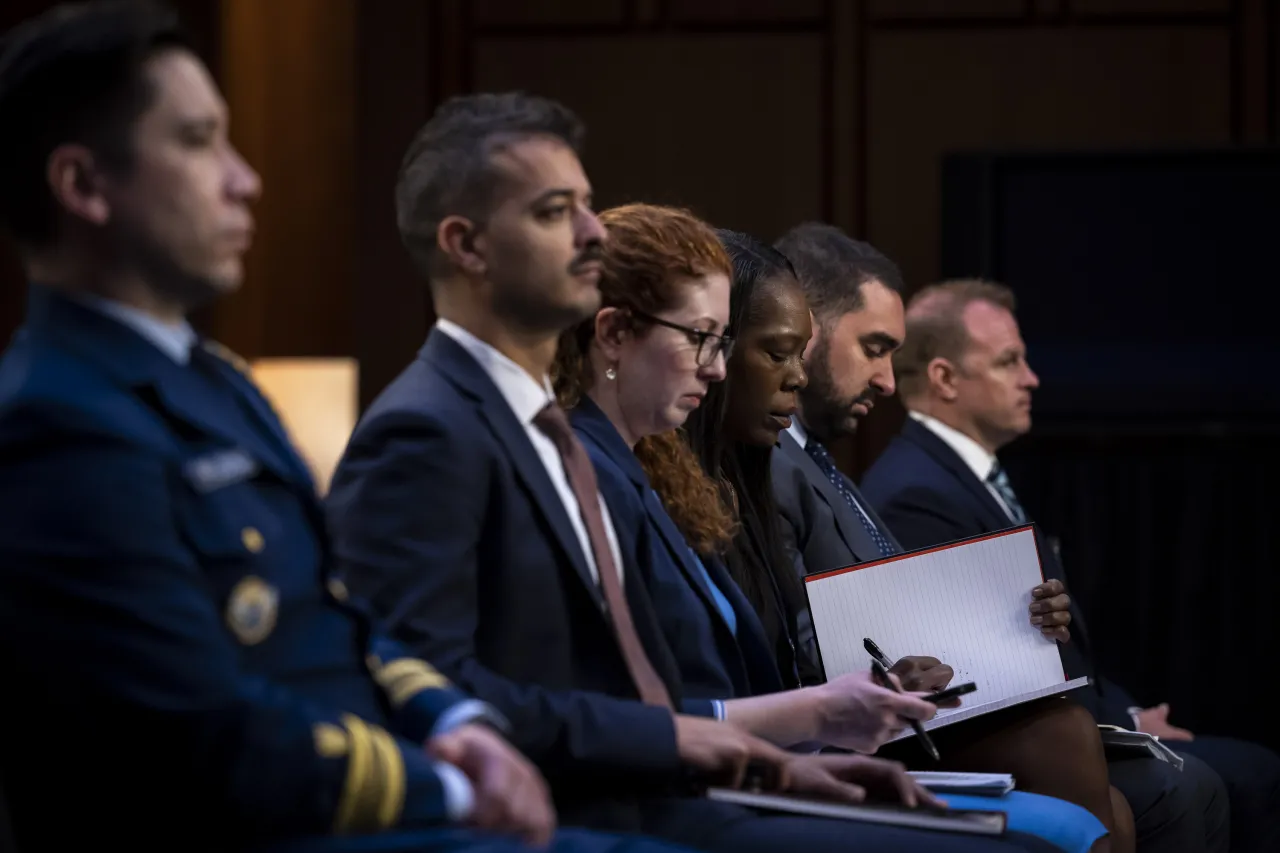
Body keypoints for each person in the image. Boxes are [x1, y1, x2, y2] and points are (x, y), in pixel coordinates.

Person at [0, 5, 701, 853]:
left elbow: (345, 616)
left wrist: (457, 718)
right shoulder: (59, 420)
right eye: (196, 141)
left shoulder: (214, 380)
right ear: (83, 186)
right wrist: (444, 780)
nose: (244, 178)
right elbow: (199, 728)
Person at [324, 91, 1065, 853]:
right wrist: (745, 747)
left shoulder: (550, 428)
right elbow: (429, 693)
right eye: (554, 212)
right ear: (466, 246)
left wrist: (779, 760)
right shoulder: (428, 428)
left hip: (680, 791)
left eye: (585, 205)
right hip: (599, 814)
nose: (589, 232)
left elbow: (630, 684)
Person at [552, 202, 1115, 853]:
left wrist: (824, 733)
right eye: (704, 338)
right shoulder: (590, 474)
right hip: (689, 800)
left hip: (751, 771)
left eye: (723, 342)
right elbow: (614, 714)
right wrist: (812, 728)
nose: (716, 366)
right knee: (1047, 827)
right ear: (615, 334)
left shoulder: (651, 474)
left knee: (1077, 815)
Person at [862, 278, 1280, 853]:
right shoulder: (914, 491)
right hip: (1016, 739)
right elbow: (976, 671)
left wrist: (1126, 713)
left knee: (1249, 767)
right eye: (1010, 362)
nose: (1032, 379)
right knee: (1223, 778)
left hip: (1074, 722)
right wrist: (1127, 727)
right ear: (945, 378)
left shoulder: (964, 477)